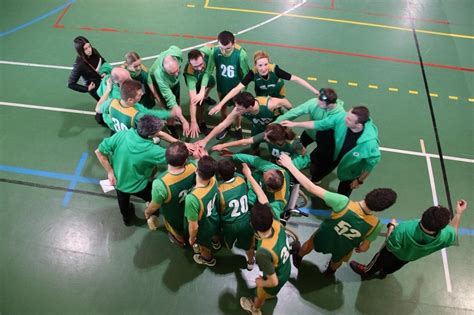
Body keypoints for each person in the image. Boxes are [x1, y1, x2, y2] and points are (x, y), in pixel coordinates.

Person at [278, 153, 397, 276]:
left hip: (324, 236)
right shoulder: (376, 225)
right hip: (343, 247)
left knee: (309, 244)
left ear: (370, 193)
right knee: (337, 260)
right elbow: (364, 248)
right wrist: (360, 248)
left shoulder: (343, 202)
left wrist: (290, 165)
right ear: (381, 209)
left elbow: (310, 187)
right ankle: (330, 272)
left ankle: (298, 257)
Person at [350, 200, 468, 278]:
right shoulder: (445, 236)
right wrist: (458, 214)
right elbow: (454, 231)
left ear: (423, 215)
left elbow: (390, 246)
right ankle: (383, 274)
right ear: (442, 227)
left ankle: (367, 272)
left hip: (391, 254)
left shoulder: (403, 229)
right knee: (393, 267)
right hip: (408, 257)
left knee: (378, 260)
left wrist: (391, 226)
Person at [281, 106, 379, 196]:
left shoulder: (369, 143)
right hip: (335, 154)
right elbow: (320, 124)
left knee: (344, 190)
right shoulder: (342, 117)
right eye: (347, 115)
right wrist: (295, 124)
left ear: (358, 125)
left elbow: (370, 164)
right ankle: (315, 180)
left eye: (349, 119)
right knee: (319, 168)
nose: (345, 118)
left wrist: (359, 180)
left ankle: (340, 207)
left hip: (351, 167)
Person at [95, 115, 167, 226]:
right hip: (139, 186)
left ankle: (126, 219)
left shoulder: (122, 135)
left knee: (123, 203)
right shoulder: (153, 150)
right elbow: (175, 157)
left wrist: (110, 172)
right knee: (153, 197)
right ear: (151, 134)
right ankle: (153, 212)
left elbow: (98, 152)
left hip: (118, 182)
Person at [239, 163, 291, 315]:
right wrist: (249, 175)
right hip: (285, 267)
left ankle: (255, 309)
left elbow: (273, 281)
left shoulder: (262, 252)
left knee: (260, 294)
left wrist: (261, 282)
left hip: (276, 278)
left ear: (254, 227)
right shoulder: (276, 222)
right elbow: (262, 197)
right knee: (270, 290)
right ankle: (270, 295)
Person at [212, 50, 319, 115]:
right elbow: (237, 89)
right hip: (262, 94)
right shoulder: (252, 73)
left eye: (266, 64)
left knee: (286, 108)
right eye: (260, 65)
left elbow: (296, 79)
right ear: (255, 65)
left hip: (277, 92)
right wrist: (220, 104)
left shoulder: (275, 69)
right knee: (266, 110)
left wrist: (315, 91)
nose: (264, 68)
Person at [144, 142, 197, 246]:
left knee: (176, 231)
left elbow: (155, 205)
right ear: (186, 159)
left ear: (166, 157)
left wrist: (147, 212)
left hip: (174, 214)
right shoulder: (194, 166)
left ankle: (181, 241)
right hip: (192, 209)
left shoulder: (161, 183)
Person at [198, 92, 291, 147]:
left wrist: (290, 116)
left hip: (277, 126)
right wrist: (205, 140)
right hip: (258, 126)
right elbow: (223, 125)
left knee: (281, 145)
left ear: (250, 107)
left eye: (239, 108)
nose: (236, 110)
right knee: (254, 146)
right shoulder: (239, 109)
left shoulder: (270, 104)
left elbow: (286, 102)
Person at [216, 160, 255, 270]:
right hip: (245, 221)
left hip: (230, 225)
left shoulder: (220, 191)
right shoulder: (241, 180)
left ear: (219, 175)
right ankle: (251, 262)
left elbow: (220, 209)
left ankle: (230, 245)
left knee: (229, 242)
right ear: (234, 170)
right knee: (249, 246)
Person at [211, 31, 250, 139]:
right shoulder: (215, 51)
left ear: (234, 43)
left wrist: (244, 90)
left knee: (237, 110)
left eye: (227, 48)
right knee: (223, 107)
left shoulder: (241, 54)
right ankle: (226, 126)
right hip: (222, 85)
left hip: (236, 88)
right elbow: (209, 68)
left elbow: (246, 74)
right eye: (221, 48)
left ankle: (238, 127)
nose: (223, 51)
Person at [185, 156, 221, 267]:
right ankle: (216, 243)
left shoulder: (192, 198)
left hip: (204, 227)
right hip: (214, 218)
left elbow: (194, 226)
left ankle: (208, 259)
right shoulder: (213, 180)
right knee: (215, 233)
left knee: (204, 247)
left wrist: (192, 238)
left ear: (196, 170)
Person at [100, 79, 172, 133]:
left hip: (119, 134)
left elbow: (98, 109)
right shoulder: (136, 115)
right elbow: (149, 119)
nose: (141, 94)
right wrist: (168, 115)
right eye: (139, 95)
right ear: (130, 100)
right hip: (133, 139)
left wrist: (107, 90)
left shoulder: (111, 102)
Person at [147, 45, 190, 137]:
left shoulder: (177, 52)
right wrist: (184, 121)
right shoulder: (159, 75)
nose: (176, 74)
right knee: (167, 106)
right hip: (157, 84)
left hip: (172, 83)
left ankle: (176, 116)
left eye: (177, 70)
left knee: (177, 103)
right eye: (172, 73)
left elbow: (172, 47)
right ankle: (170, 125)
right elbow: (170, 99)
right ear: (165, 70)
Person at [232, 153, 291, 218]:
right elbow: (253, 159)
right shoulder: (275, 170)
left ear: (270, 190)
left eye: (264, 176)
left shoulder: (277, 203)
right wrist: (233, 155)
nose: (264, 172)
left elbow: (272, 220)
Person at [212, 123, 306, 162]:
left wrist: (291, 162)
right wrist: (223, 145)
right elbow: (246, 141)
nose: (263, 136)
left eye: (266, 137)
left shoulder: (294, 143)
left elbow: (303, 152)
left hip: (287, 163)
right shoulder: (268, 135)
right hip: (274, 160)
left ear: (275, 141)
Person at [184, 48, 217, 138]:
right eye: (195, 66)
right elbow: (192, 100)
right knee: (199, 103)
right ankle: (201, 122)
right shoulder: (189, 73)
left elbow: (213, 46)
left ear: (202, 56)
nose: (199, 68)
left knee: (212, 83)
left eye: (200, 64)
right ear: (190, 63)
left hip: (206, 75)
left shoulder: (208, 52)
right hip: (196, 81)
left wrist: (203, 92)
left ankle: (205, 97)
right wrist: (193, 121)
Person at [68, 36, 108, 101]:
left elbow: (102, 61)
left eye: (89, 46)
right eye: (86, 49)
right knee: (102, 104)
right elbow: (70, 84)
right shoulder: (79, 65)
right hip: (95, 88)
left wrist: (104, 71)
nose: (89, 50)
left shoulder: (94, 51)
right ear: (80, 51)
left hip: (102, 81)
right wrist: (87, 89)